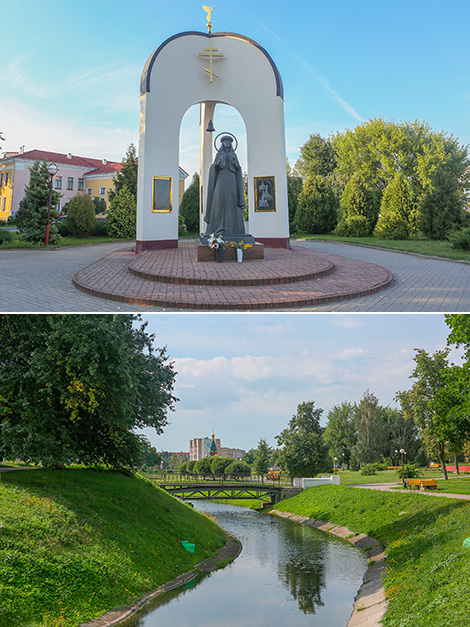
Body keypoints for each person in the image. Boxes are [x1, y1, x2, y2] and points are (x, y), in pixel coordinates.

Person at [203, 135, 246, 238]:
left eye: (228, 141)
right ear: (222, 144)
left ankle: (233, 229)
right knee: (219, 202)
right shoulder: (219, 154)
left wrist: (236, 165)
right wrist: (216, 165)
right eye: (225, 141)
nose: (227, 143)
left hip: (232, 181)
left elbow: (239, 169)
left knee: (232, 203)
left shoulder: (234, 155)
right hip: (220, 181)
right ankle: (218, 228)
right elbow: (213, 168)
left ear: (231, 143)